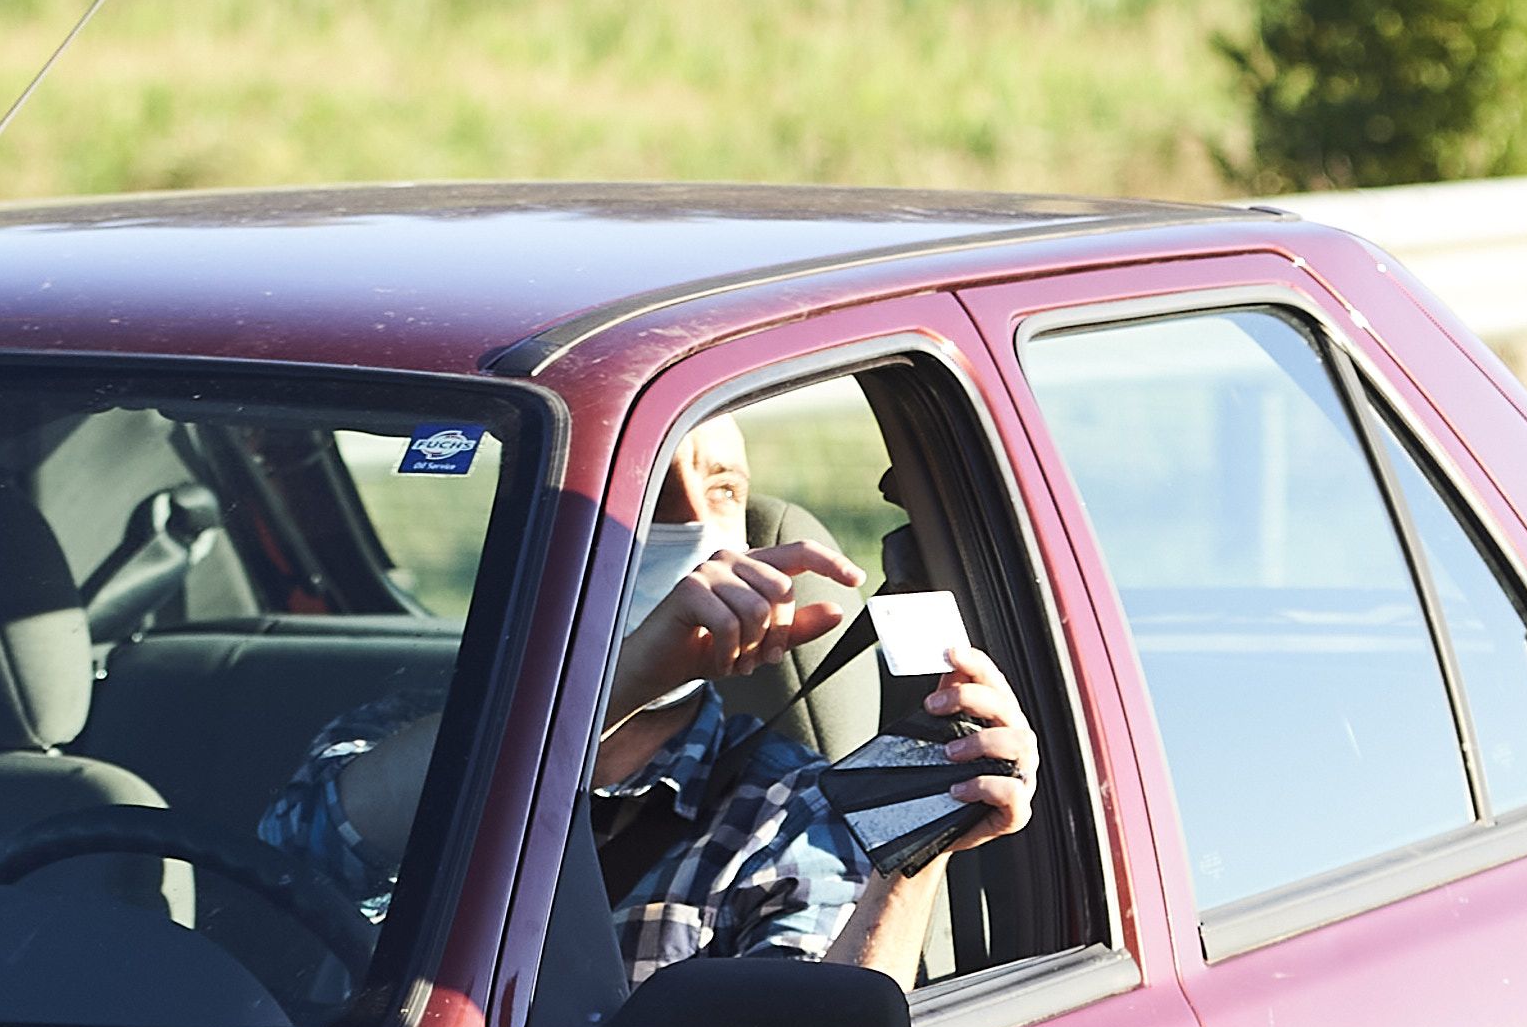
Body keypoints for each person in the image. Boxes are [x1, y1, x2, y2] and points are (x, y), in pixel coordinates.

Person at [263, 410, 1032, 986]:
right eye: (648, 487)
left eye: (724, 489)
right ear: (536, 530)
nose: (696, 523)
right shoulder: (411, 733)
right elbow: (310, 846)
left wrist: (920, 831)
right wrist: (618, 679)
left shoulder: (783, 806)